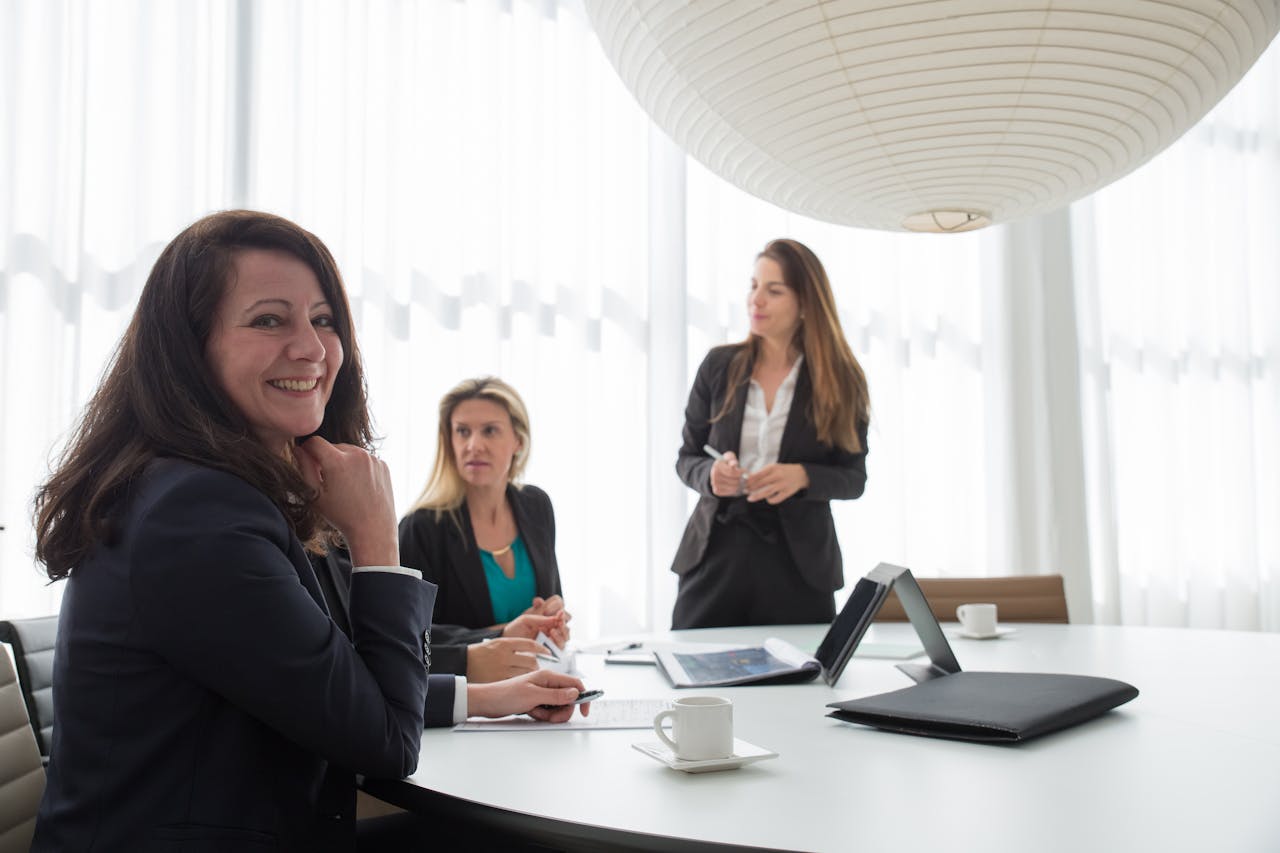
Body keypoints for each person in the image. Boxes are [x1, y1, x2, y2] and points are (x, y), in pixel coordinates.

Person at [30, 211, 588, 853]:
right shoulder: (196, 515)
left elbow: (335, 679)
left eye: (323, 320)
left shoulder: (238, 494)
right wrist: (379, 541)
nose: (313, 349)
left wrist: (490, 697)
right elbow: (384, 742)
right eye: (269, 319)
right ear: (188, 345)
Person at [670, 238, 871, 629]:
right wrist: (710, 476)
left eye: (773, 290)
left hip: (798, 564)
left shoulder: (842, 380)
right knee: (695, 675)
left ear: (806, 303)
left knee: (801, 683)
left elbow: (854, 479)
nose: (755, 300)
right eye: (753, 286)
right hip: (715, 551)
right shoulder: (718, 365)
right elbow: (686, 457)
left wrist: (803, 476)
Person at [399, 377, 570, 682]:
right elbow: (409, 635)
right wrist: (501, 634)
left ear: (518, 440)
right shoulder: (421, 528)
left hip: (535, 681)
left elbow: (549, 594)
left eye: (490, 430)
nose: (473, 445)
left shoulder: (536, 505)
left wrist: (552, 615)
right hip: (465, 699)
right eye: (462, 431)